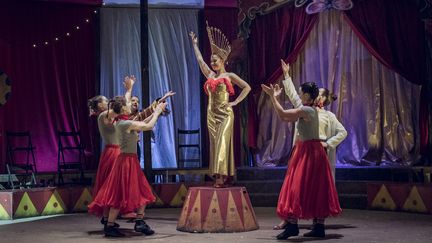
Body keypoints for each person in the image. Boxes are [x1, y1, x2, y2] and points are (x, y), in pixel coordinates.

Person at [273, 60, 347, 230]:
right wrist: (286, 75)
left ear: (322, 99)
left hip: (318, 152)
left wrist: (328, 144)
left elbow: (342, 132)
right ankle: (290, 218)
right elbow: (293, 96)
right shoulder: (306, 108)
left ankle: (315, 222)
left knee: (316, 187)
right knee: (296, 184)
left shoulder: (328, 115)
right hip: (303, 150)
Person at [261, 82, 341, 239]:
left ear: (306, 95)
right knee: (314, 186)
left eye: (300, 93)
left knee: (296, 187)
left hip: (309, 151)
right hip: (310, 149)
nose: (298, 95)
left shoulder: (307, 110)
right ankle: (318, 227)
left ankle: (293, 226)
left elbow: (283, 115)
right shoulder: (310, 109)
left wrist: (272, 97)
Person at [88, 96, 167, 237]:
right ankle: (120, 224)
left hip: (128, 161)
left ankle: (134, 222)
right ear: (123, 108)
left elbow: (142, 122)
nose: (131, 105)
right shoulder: (124, 124)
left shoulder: (122, 122)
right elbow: (147, 126)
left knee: (139, 191)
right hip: (127, 162)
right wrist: (157, 112)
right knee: (130, 192)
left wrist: (156, 110)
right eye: (129, 104)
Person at [189, 22, 251, 187]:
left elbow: (247, 87)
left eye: (215, 60)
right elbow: (200, 61)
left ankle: (221, 177)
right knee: (215, 144)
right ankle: (218, 173)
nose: (212, 63)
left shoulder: (229, 75)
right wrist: (195, 45)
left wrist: (235, 102)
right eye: (212, 61)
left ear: (222, 60)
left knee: (223, 142)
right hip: (211, 114)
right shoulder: (210, 75)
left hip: (225, 113)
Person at [87, 76, 134, 227]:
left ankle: (108, 218)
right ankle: (109, 219)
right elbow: (121, 108)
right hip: (112, 153)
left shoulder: (108, 115)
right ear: (99, 105)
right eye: (105, 101)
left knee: (111, 186)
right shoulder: (102, 116)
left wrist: (128, 90)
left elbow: (122, 108)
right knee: (110, 186)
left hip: (114, 152)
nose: (108, 102)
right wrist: (128, 90)